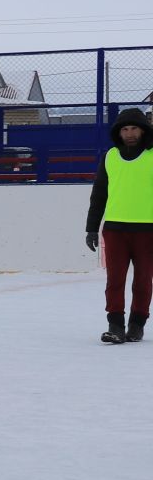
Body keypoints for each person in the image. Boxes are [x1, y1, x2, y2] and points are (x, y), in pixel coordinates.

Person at [85, 108, 153, 344]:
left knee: (143, 280)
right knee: (115, 279)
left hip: (148, 229)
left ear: (143, 130)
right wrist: (91, 227)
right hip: (115, 229)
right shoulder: (110, 157)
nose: (130, 133)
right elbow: (99, 194)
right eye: (125, 129)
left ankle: (137, 324)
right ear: (119, 132)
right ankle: (115, 326)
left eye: (134, 128)